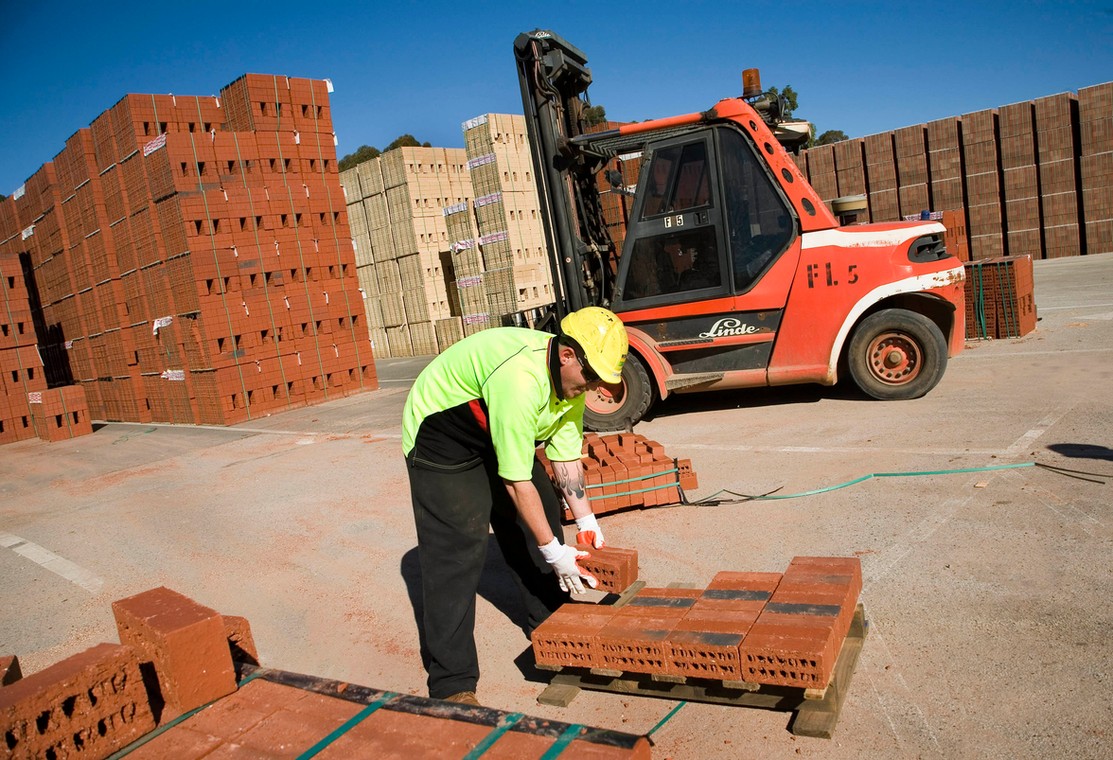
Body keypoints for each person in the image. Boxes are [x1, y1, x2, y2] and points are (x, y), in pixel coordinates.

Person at [401, 306, 629, 706]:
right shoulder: (521, 380)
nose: (594, 387)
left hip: (496, 426)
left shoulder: (571, 385)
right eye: (591, 376)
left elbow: (565, 458)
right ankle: (452, 683)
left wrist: (587, 520)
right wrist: (555, 553)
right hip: (442, 437)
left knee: (539, 514)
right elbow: (515, 481)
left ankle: (552, 628)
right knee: (458, 549)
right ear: (567, 355)